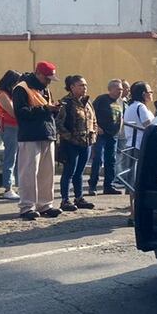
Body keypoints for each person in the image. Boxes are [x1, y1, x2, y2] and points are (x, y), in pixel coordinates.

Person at [12, 61, 62, 221]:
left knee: (47, 173)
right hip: (30, 135)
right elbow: (21, 112)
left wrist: (54, 110)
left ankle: (45, 204)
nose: (49, 81)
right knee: (28, 173)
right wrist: (45, 109)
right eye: (47, 78)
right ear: (38, 74)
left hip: (46, 133)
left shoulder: (44, 89)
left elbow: (45, 110)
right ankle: (27, 206)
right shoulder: (21, 88)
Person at [56, 74, 97, 211]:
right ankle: (65, 200)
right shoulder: (66, 103)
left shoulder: (87, 102)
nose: (84, 88)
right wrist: (70, 138)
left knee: (80, 172)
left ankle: (79, 197)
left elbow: (94, 120)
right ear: (72, 87)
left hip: (86, 143)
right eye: (81, 85)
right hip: (71, 143)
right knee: (69, 171)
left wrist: (94, 135)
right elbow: (59, 124)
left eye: (85, 85)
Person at [124, 81, 156, 226]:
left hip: (130, 145)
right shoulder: (141, 107)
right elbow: (148, 126)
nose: (151, 94)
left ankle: (133, 212)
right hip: (140, 146)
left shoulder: (130, 106)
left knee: (132, 182)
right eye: (150, 92)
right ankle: (137, 213)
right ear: (143, 94)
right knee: (140, 180)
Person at [88, 79, 124, 196]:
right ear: (111, 89)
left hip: (113, 135)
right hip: (101, 135)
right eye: (118, 89)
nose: (120, 91)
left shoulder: (120, 102)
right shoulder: (101, 99)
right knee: (97, 159)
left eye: (121, 89)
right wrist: (96, 127)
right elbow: (91, 113)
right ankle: (92, 185)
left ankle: (109, 185)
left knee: (111, 160)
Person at [0, 70, 22, 200]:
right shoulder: (3, 95)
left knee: (18, 158)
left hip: (16, 127)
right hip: (10, 127)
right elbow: (13, 112)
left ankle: (18, 185)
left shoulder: (10, 94)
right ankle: (7, 187)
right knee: (10, 157)